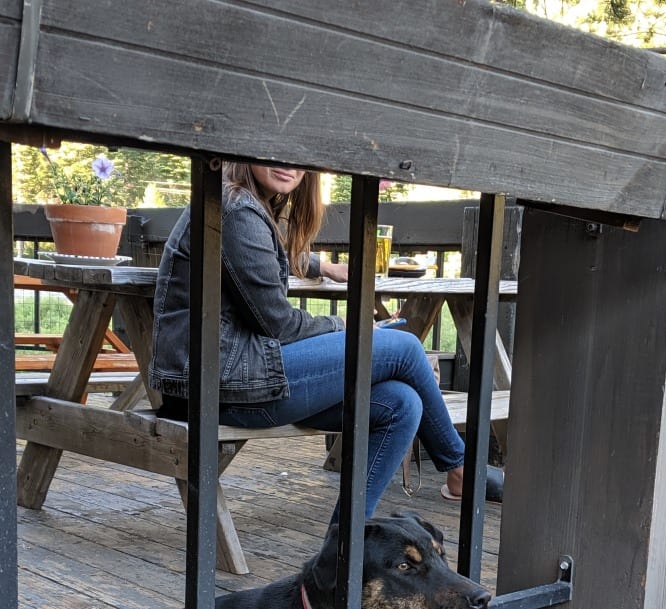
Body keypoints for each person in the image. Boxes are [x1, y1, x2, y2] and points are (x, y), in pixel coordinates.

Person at [149, 161, 503, 521]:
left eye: (299, 161)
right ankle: (460, 470)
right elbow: (279, 323)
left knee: (403, 403)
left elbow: (262, 255)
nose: (287, 167)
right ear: (245, 154)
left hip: (231, 375)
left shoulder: (240, 202)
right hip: (217, 387)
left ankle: (344, 540)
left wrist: (323, 266)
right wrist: (341, 324)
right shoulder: (235, 207)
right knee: (406, 348)